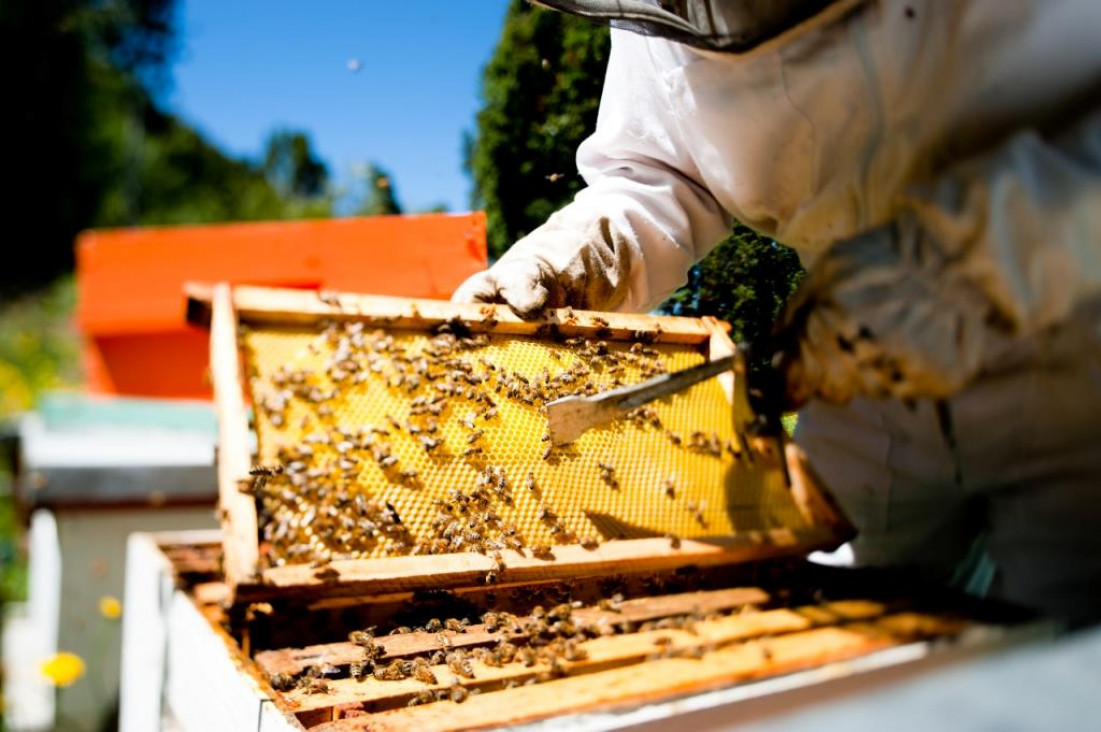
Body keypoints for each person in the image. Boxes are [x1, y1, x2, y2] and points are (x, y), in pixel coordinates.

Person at [453, 0, 1101, 627]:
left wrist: (971, 253)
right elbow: (659, 174)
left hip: (1074, 351)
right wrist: (576, 258)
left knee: (1056, 660)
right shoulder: (658, 26)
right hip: (857, 367)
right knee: (827, 631)